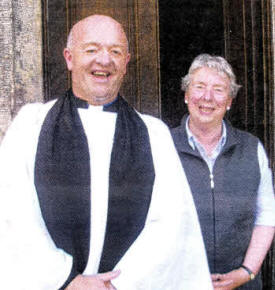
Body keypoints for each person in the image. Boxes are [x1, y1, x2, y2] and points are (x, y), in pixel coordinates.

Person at [0, 15, 212, 290]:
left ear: (126, 62)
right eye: (91, 49)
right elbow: (12, 213)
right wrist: (66, 281)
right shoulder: (30, 126)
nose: (104, 60)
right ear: (69, 58)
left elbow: (171, 224)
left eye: (115, 51)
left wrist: (116, 284)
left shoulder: (154, 134)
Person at [171, 53, 275, 289]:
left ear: (229, 101)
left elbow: (267, 214)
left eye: (218, 89)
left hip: (242, 284)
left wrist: (247, 272)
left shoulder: (251, 148)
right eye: (199, 87)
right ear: (187, 95)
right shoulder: (163, 145)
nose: (207, 97)